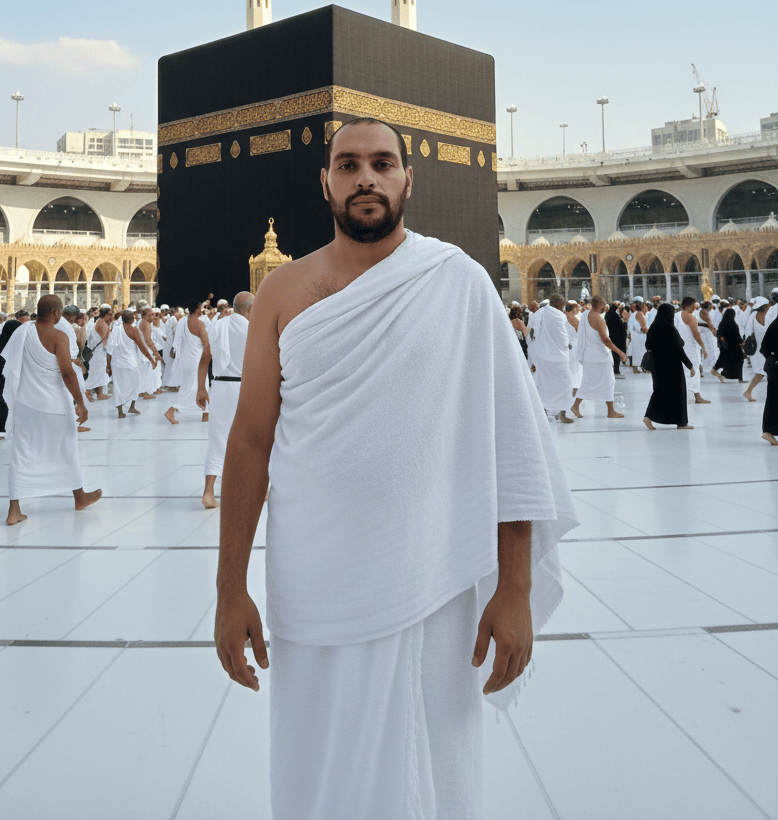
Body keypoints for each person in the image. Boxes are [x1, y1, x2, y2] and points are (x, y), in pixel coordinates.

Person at [213, 118, 578, 820]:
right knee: (318, 760)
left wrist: (516, 589)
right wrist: (230, 588)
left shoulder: (459, 283)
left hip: (429, 581)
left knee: (432, 763)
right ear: (326, 183)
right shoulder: (284, 293)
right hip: (312, 584)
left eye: (383, 163)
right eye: (348, 165)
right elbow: (250, 442)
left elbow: (509, 441)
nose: (366, 178)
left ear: (409, 179)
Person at [0, 294, 100, 525]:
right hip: (54, 405)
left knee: (21, 453)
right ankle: (80, 497)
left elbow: (12, 365)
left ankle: (14, 510)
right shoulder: (59, 336)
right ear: (56, 313)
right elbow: (66, 373)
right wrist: (81, 403)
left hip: (26, 403)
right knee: (67, 449)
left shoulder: (22, 332)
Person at [202, 291, 254, 509]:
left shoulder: (218, 325)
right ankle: (257, 490)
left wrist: (200, 388)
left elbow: (205, 358)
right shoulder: (252, 329)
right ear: (250, 309)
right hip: (243, 387)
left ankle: (208, 493)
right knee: (252, 439)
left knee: (218, 439)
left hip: (220, 386)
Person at [571, 296, 626, 419]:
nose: (605, 307)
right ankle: (610, 411)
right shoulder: (599, 320)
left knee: (587, 382)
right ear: (598, 305)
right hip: (600, 357)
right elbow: (606, 340)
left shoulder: (585, 315)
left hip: (588, 356)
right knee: (609, 382)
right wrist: (620, 352)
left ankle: (575, 406)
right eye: (604, 305)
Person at [643, 303, 696, 429]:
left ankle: (648, 417)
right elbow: (679, 349)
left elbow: (647, 345)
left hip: (657, 366)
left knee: (660, 391)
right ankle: (681, 423)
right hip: (672, 367)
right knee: (678, 393)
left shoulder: (653, 326)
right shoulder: (669, 328)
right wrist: (690, 366)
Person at [164, 301, 211, 425]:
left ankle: (205, 413)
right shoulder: (200, 324)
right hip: (197, 361)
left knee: (193, 386)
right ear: (197, 309)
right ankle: (171, 410)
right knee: (192, 388)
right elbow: (206, 343)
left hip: (186, 360)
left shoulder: (183, 321)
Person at [106, 310, 158, 418]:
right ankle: (131, 406)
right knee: (136, 383)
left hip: (117, 363)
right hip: (131, 363)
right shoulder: (134, 329)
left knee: (119, 386)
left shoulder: (115, 330)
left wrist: (108, 365)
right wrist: (151, 359)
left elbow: (109, 349)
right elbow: (142, 346)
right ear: (132, 319)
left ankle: (121, 411)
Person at [530, 293, 574, 423]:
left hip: (542, 355)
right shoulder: (559, 315)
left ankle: (546, 412)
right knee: (566, 384)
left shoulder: (539, 313)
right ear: (559, 305)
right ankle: (561, 413)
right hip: (558, 357)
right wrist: (567, 345)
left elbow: (531, 334)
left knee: (543, 384)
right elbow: (563, 337)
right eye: (562, 306)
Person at [0, 316, 25, 440]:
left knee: (6, 399)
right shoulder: (9, 342)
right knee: (5, 400)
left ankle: (3, 428)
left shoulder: (3, 339)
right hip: (2, 373)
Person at [677, 297, 710, 406]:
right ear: (690, 306)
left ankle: (681, 396)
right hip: (690, 348)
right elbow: (696, 334)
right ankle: (697, 396)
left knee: (681, 372)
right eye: (694, 306)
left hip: (678, 348)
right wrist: (703, 347)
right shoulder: (691, 317)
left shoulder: (676, 315)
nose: (695, 309)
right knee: (694, 370)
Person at [743, 297, 771, 402]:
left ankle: (749, 391)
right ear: (765, 306)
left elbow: (748, 332)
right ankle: (748, 391)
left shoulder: (766, 316)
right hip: (759, 350)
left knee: (764, 372)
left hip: (766, 349)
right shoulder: (754, 316)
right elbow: (748, 333)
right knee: (761, 372)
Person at [84, 307, 112, 402]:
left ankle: (99, 394)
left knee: (100, 374)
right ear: (107, 315)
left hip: (96, 353)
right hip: (98, 353)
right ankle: (87, 392)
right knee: (95, 374)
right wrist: (110, 358)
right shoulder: (103, 324)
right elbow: (105, 343)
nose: (112, 317)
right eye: (111, 314)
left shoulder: (100, 321)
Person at [759, 316, 778, 445]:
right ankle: (767, 431)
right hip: (775, 366)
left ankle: (768, 431)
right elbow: (765, 347)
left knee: (774, 397)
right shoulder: (776, 326)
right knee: (773, 397)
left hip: (773, 365)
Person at [713, 307, 744, 383]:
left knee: (725, 359)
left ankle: (718, 370)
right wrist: (741, 341)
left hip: (726, 346)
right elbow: (736, 334)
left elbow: (719, 334)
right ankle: (739, 379)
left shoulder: (722, 323)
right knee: (739, 360)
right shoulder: (732, 323)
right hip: (733, 346)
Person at [604, 302, 628, 376]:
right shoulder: (614, 315)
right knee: (616, 354)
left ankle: (614, 369)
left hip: (611, 336)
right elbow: (620, 326)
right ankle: (616, 369)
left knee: (613, 354)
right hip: (617, 338)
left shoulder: (608, 315)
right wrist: (624, 324)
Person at [629, 299, 648, 372]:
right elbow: (643, 327)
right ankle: (644, 367)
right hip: (641, 337)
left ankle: (635, 368)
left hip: (635, 337)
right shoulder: (640, 314)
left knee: (636, 352)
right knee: (643, 352)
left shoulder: (633, 314)